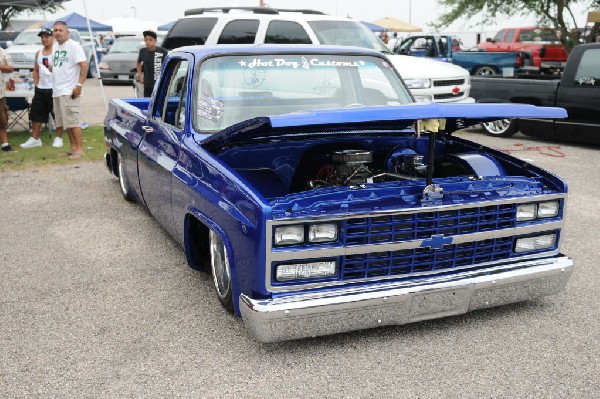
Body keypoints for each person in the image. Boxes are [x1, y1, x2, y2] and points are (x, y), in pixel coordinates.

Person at [20, 27, 64, 149]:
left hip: (54, 88)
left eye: (46, 37)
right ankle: (35, 138)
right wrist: (36, 83)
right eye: (42, 37)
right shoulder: (38, 53)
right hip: (41, 88)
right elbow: (35, 69)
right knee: (36, 114)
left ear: (53, 38)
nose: (44, 39)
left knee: (57, 114)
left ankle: (59, 138)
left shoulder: (57, 52)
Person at [51, 21, 88, 159]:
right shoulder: (55, 47)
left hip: (69, 90)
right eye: (55, 30)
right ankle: (72, 147)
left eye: (61, 30)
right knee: (65, 123)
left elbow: (84, 66)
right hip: (57, 90)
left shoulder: (74, 46)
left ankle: (80, 149)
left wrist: (79, 85)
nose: (58, 32)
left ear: (67, 32)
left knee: (73, 121)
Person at [137, 30, 168, 97]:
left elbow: (168, 64)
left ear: (155, 41)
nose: (148, 42)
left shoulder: (162, 51)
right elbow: (138, 63)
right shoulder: (142, 51)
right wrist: (140, 76)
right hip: (147, 85)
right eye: (146, 40)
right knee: (148, 103)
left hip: (159, 85)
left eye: (150, 40)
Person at [0, 44, 14, 152]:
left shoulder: (2, 52)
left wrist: (0, 66)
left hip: (0, 93)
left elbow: (10, 68)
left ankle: (5, 145)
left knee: (2, 120)